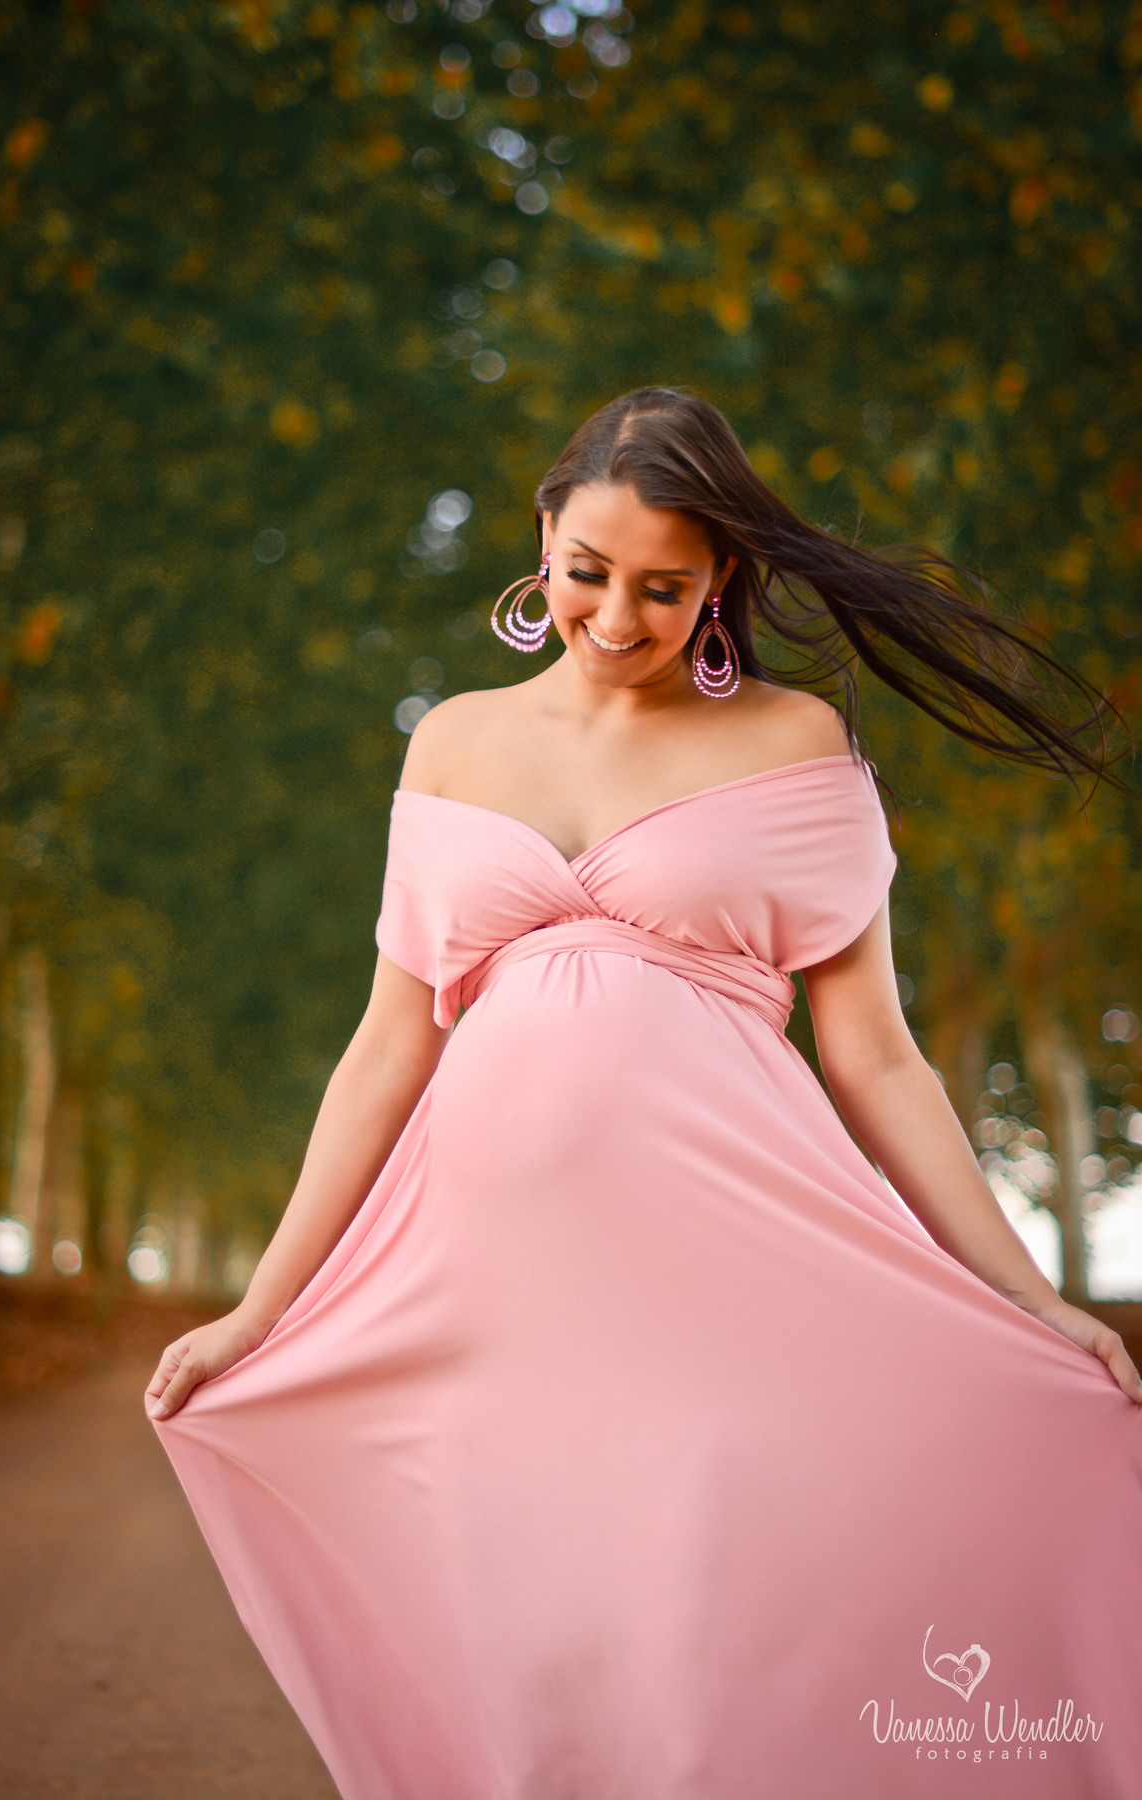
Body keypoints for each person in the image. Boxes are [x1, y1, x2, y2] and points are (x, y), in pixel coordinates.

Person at [147, 388, 1142, 1800]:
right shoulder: (453, 746)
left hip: (735, 1254)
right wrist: (258, 1306)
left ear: (722, 580)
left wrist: (1030, 1299)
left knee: (717, 1615)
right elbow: (384, 1051)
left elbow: (876, 1056)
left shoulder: (798, 747)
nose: (617, 616)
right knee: (539, 1616)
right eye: (589, 573)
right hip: (487, 1281)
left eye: (665, 589)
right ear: (541, 540)